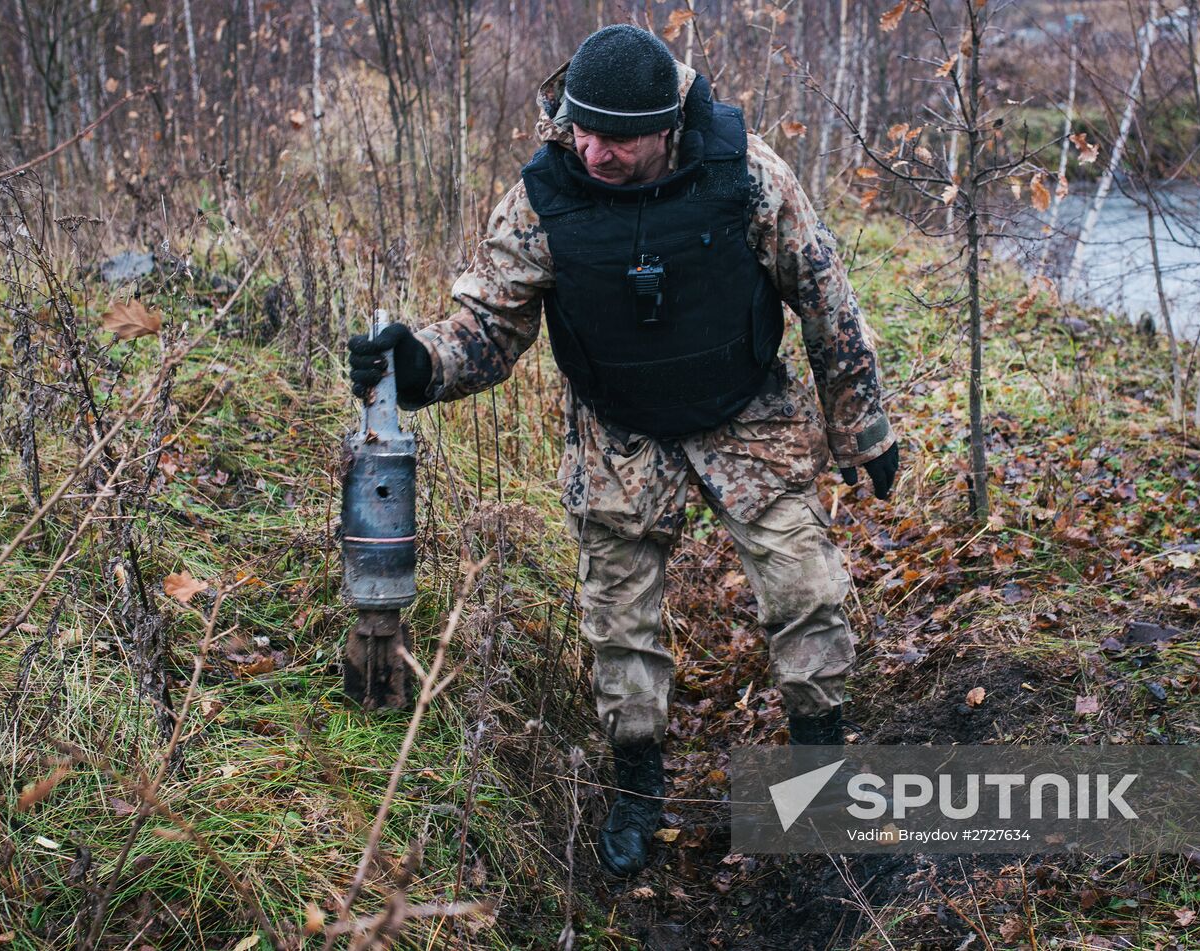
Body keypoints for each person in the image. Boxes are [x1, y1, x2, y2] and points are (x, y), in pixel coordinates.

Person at [347, 24, 899, 877]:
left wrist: (864, 429)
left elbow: (824, 294)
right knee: (621, 625)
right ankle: (638, 793)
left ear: (667, 127)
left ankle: (816, 781)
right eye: (583, 130)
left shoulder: (746, 174)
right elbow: (488, 326)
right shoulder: (543, 199)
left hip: (744, 414)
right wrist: (418, 364)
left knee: (806, 589)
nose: (595, 151)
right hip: (619, 431)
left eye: (619, 137)